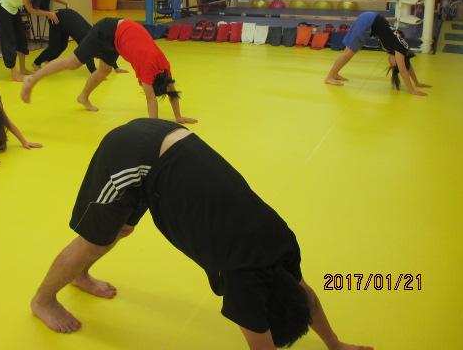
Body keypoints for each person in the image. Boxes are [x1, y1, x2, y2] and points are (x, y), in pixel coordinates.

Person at [30, 118, 372, 350]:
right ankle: (43, 301)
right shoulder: (243, 277)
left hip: (171, 143)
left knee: (123, 227)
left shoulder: (282, 242)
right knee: (95, 241)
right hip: (133, 154)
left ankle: (80, 274)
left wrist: (335, 345)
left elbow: (305, 295)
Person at [21, 18, 197, 124]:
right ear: (151, 80)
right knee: (73, 63)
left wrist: (178, 116)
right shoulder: (147, 69)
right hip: (107, 29)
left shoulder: (164, 68)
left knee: (104, 71)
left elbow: (171, 89)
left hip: (119, 39)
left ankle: (83, 97)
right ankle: (33, 79)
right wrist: (154, 129)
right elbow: (151, 98)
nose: (142, 85)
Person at [324, 12, 432, 96]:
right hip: (368, 21)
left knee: (351, 51)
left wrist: (417, 83)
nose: (390, 62)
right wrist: (412, 90)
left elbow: (407, 66)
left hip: (370, 19)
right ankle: (329, 77)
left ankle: (334, 74)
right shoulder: (399, 51)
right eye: (393, 64)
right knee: (349, 51)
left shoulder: (404, 51)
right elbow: (403, 70)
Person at [0, 0, 69, 81]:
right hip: (2, 8)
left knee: (21, 38)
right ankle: (14, 74)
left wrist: (65, 2)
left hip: (13, 9)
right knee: (9, 40)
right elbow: (30, 10)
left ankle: (22, 69)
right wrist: (49, 14)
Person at [32, 8, 128, 75]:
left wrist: (116, 67)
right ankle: (36, 63)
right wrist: (94, 72)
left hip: (67, 21)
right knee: (54, 46)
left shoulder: (99, 39)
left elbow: (110, 52)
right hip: (57, 18)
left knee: (63, 46)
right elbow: (87, 56)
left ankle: (49, 60)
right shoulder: (88, 39)